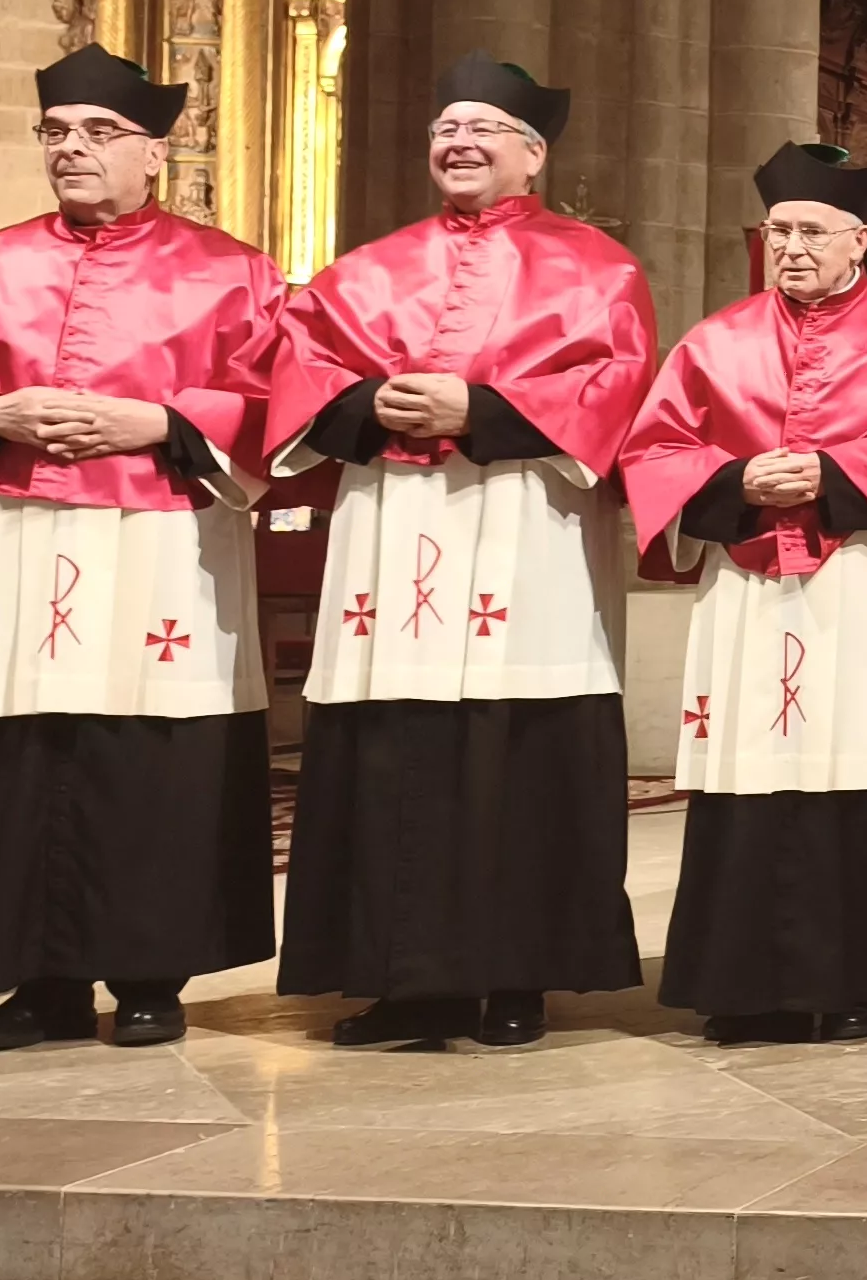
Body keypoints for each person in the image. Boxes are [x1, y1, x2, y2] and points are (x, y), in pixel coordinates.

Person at [0, 46, 285, 1051]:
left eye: (98, 133)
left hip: (165, 538)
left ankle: (151, 974)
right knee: (24, 751)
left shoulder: (232, 270)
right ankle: (39, 978)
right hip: (23, 533)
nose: (72, 149)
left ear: (155, 151)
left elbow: (278, 399)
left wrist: (158, 423)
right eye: (57, 132)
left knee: (151, 753)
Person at [269, 52, 657, 1049]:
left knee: (514, 748)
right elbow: (301, 370)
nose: (459, 140)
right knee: (391, 747)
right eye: (446, 125)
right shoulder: (368, 267)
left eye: (483, 127)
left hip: (523, 531)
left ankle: (517, 971)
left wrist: (478, 407)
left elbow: (617, 386)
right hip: (390, 528)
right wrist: (365, 400)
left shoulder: (596, 265)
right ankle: (399, 978)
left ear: (533, 154)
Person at [620, 144, 867, 1044]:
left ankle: (855, 975)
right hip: (747, 584)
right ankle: (740, 981)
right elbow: (657, 448)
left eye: (812, 231)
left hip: (861, 578)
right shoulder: (720, 339)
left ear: (859, 239)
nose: (790, 246)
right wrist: (737, 481)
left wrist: (833, 475)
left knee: (855, 769)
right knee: (749, 775)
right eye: (778, 230)